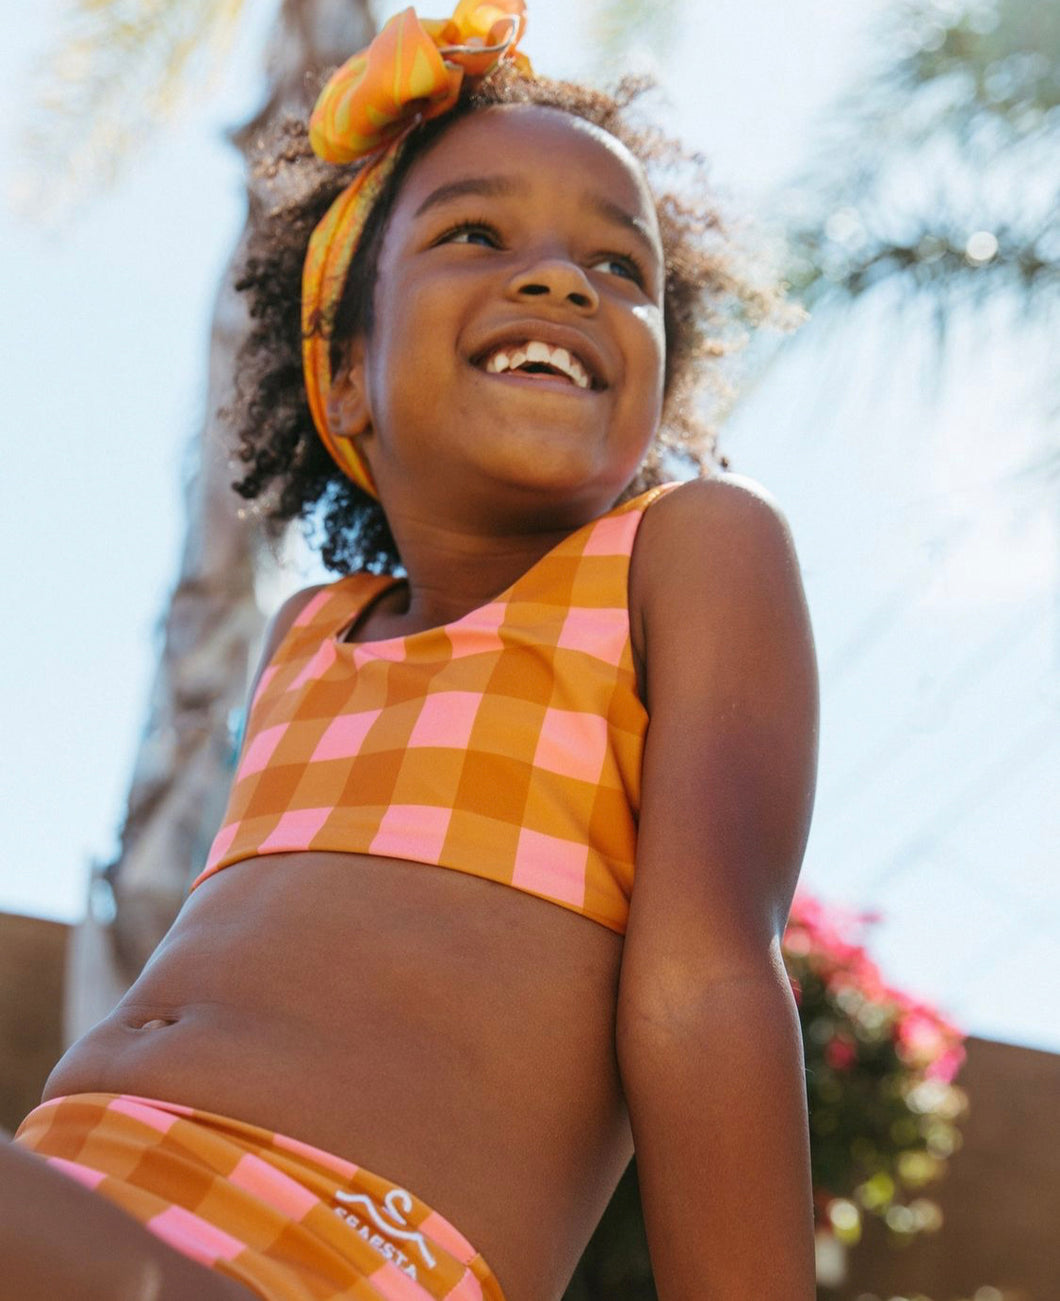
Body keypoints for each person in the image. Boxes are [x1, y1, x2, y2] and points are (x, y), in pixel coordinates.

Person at [4, 3, 820, 1297]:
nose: (561, 280)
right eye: (476, 234)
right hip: (75, 1185)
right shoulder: (306, 637)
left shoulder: (686, 557)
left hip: (334, 1250)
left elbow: (704, 984)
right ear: (344, 383)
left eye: (623, 269)